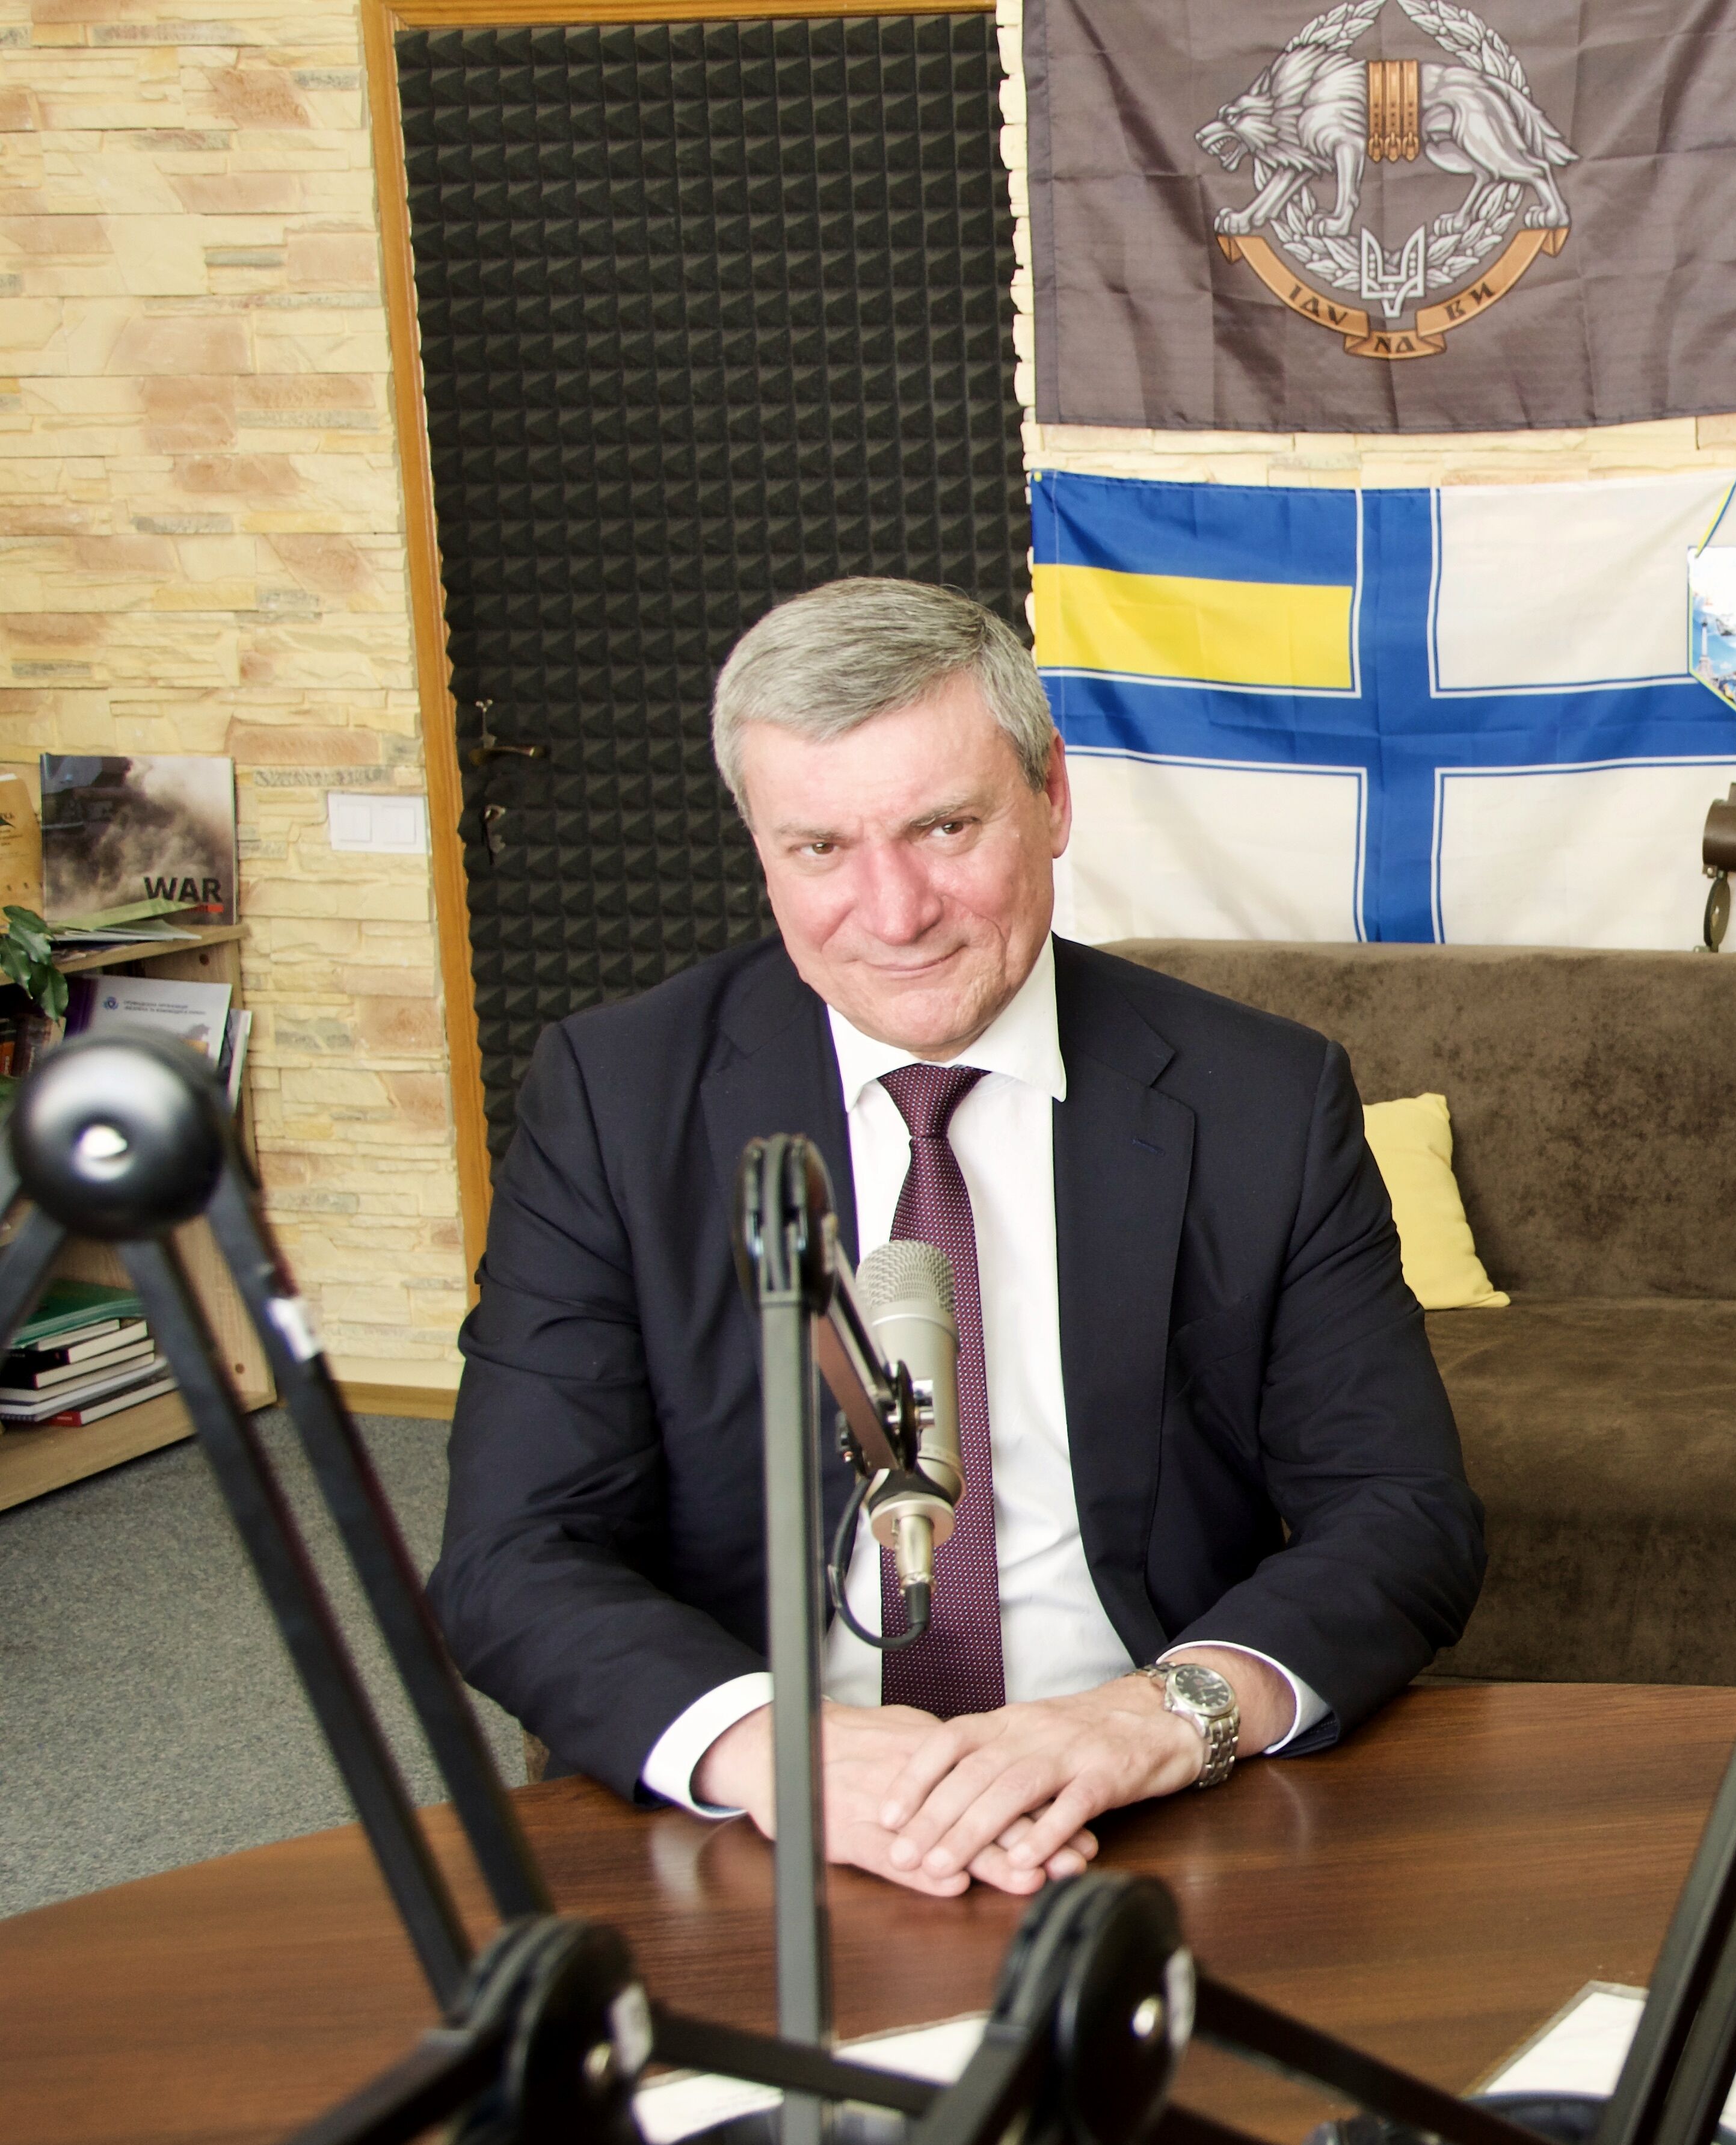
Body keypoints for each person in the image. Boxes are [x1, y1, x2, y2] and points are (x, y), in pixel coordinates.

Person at [432, 579, 1484, 1898]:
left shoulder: (1261, 1097)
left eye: (944, 827)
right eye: (820, 848)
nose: (894, 912)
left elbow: (1400, 1511)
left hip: (1143, 1805)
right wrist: (774, 1748)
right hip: (763, 1824)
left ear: (1053, 798)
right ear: (760, 846)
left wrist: (1168, 1713)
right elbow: (512, 1551)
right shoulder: (614, 1097)